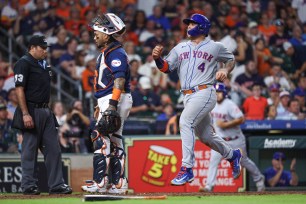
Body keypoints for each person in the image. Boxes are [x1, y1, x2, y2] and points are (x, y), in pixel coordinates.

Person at [152, 13, 242, 186]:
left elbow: (231, 60)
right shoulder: (180, 47)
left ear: (202, 27)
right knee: (206, 136)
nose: (188, 26)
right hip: (187, 95)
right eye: (188, 24)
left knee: (185, 122)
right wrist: (157, 59)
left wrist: (226, 70)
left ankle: (187, 168)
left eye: (192, 24)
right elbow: (166, 68)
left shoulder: (215, 47)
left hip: (205, 92)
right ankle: (232, 155)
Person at [12, 35, 72, 195]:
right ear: (32, 47)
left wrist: (49, 109)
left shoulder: (45, 65)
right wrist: (25, 113)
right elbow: (19, 89)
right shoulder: (23, 63)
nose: (45, 51)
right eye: (42, 48)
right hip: (30, 110)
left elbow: (45, 91)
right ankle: (28, 185)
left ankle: (57, 185)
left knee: (53, 149)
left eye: (46, 48)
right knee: (29, 149)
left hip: (46, 110)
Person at [81, 13, 133, 194]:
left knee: (100, 136)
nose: (94, 33)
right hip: (115, 97)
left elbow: (119, 79)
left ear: (107, 33)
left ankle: (100, 183)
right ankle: (119, 184)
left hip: (115, 97)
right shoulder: (112, 51)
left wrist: (111, 104)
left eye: (97, 31)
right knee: (115, 140)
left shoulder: (115, 52)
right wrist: (101, 103)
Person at [199, 83, 265, 192]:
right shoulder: (212, 104)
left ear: (224, 93)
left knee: (244, 161)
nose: (217, 95)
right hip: (220, 140)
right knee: (213, 161)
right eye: (216, 92)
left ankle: (259, 178)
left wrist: (226, 124)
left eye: (219, 92)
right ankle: (209, 186)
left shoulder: (229, 104)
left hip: (235, 139)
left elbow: (241, 119)